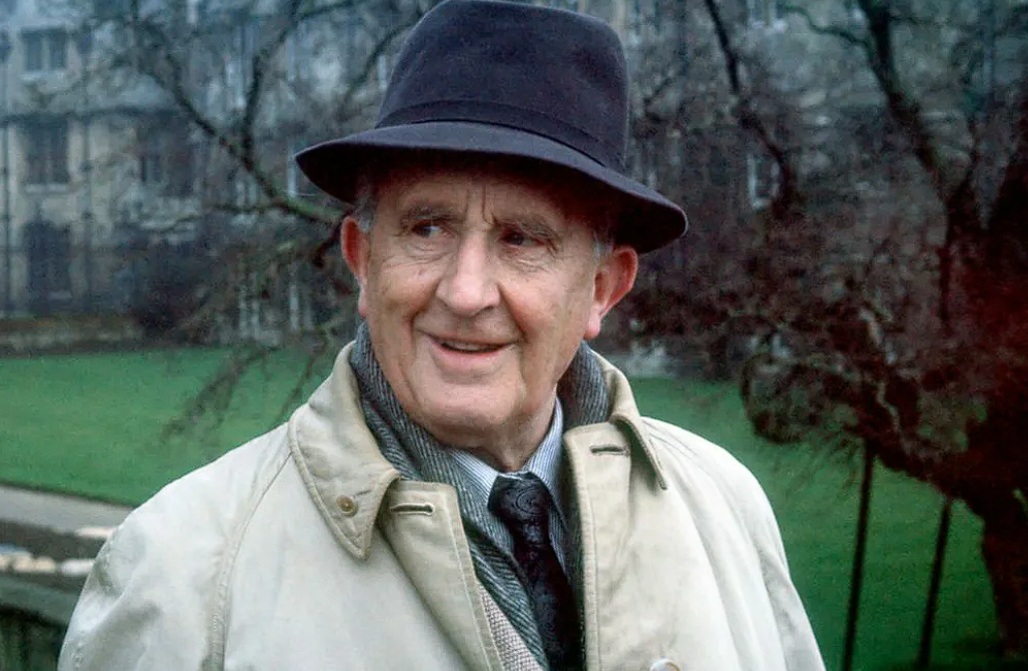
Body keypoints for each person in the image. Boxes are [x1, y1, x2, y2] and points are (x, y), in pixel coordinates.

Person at [58, 1, 825, 669]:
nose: (465, 291)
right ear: (363, 260)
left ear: (602, 287)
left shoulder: (723, 505)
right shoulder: (183, 573)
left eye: (522, 238)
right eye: (427, 227)